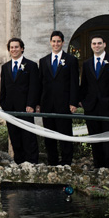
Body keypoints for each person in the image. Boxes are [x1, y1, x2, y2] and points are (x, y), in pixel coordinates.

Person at [79, 35, 109, 168]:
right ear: (91, 46)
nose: (96, 46)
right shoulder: (87, 63)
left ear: (104, 44)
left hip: (107, 106)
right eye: (94, 44)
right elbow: (84, 85)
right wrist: (83, 102)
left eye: (99, 43)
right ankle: (97, 166)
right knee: (94, 137)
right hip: (91, 107)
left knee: (108, 138)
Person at [38, 31, 79, 166]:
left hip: (64, 104)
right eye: (54, 41)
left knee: (65, 135)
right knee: (49, 136)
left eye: (58, 41)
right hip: (47, 104)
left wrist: (73, 102)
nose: (56, 44)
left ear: (62, 43)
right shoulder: (43, 61)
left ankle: (66, 162)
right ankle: (52, 162)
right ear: (50, 42)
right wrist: (38, 103)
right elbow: (41, 83)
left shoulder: (71, 60)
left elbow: (74, 82)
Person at [0, 38, 40, 164]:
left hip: (26, 108)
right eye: (11, 47)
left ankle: (32, 163)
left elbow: (34, 86)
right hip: (10, 109)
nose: (14, 49)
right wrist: (4, 105)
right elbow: (3, 88)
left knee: (28, 137)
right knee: (15, 138)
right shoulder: (5, 67)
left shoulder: (31, 65)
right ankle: (19, 163)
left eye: (16, 47)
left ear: (22, 48)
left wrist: (31, 104)